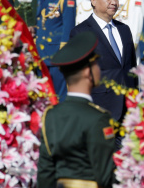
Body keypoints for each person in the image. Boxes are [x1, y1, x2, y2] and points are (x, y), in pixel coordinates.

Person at [37, 31, 116, 188]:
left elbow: (45, 173)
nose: (99, 69)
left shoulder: (50, 115)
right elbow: (106, 177)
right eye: (96, 64)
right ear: (88, 72)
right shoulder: (99, 118)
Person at [70, 0, 138, 122]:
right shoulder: (81, 32)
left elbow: (131, 67)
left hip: (129, 108)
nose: (114, 2)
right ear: (94, 0)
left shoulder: (124, 29)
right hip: (100, 107)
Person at [35, 0, 76, 102]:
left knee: (59, 97)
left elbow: (68, 27)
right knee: (42, 98)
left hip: (56, 54)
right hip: (42, 53)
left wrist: (63, 55)